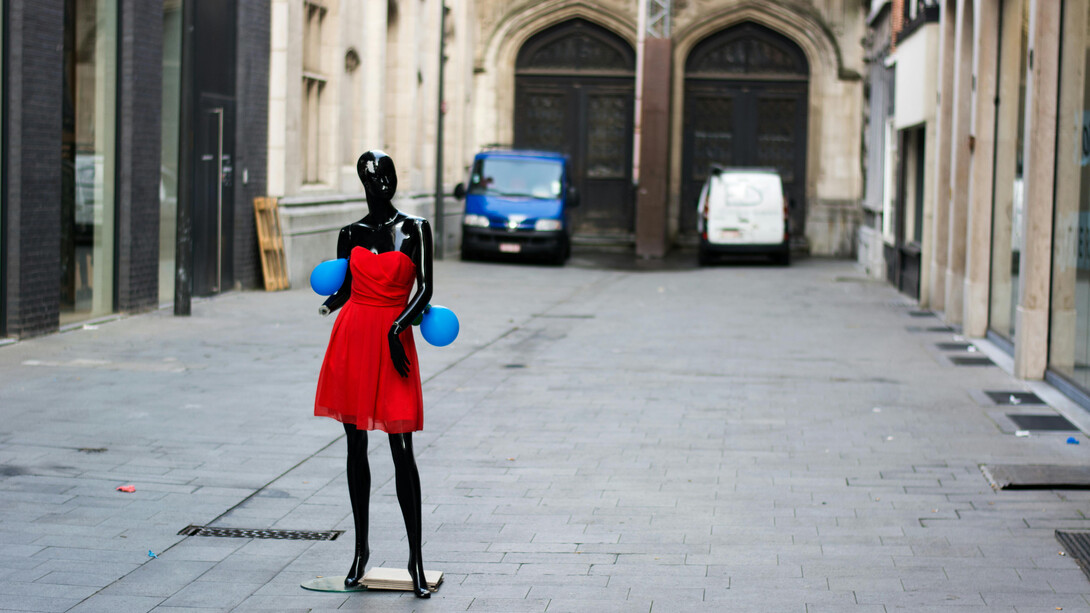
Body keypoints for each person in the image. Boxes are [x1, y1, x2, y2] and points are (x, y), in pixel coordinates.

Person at [314, 150, 433, 597]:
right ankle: (361, 551)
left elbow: (426, 289)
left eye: (386, 175)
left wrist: (399, 325)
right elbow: (346, 287)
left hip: (392, 339)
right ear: (362, 184)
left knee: (402, 449)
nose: (380, 184)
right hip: (353, 338)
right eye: (371, 178)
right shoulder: (350, 233)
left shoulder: (416, 228)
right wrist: (330, 303)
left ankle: (415, 559)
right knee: (355, 445)